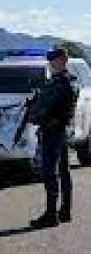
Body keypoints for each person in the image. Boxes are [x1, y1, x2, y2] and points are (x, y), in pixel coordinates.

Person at [28, 48, 77, 228]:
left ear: (62, 61)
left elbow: (54, 109)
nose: (51, 64)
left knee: (50, 172)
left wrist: (38, 114)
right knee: (63, 171)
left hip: (54, 131)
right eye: (50, 61)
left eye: (53, 61)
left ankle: (51, 215)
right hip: (60, 131)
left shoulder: (62, 83)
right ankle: (64, 211)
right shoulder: (65, 81)